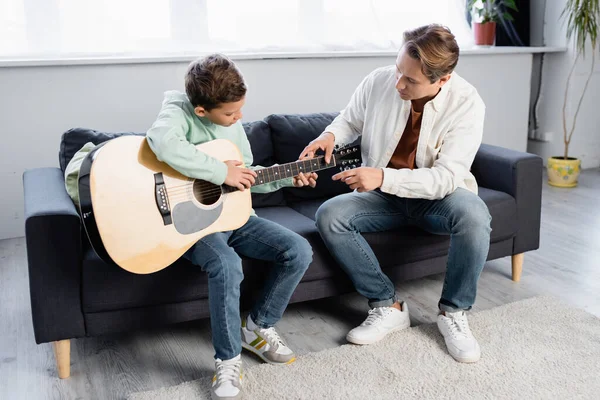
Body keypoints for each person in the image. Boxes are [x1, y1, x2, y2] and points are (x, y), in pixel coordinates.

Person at [65, 53, 317, 400]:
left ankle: (258, 326)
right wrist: (218, 172)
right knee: (227, 265)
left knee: (299, 250)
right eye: (230, 114)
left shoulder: (233, 127)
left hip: (234, 216)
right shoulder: (178, 109)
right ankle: (228, 361)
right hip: (190, 227)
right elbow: (162, 143)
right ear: (202, 111)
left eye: (241, 109)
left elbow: (244, 178)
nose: (239, 118)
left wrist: (285, 178)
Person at [299, 24, 491, 364]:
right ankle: (387, 306)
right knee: (330, 215)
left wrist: (382, 177)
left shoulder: (467, 102)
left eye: (410, 80)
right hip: (384, 198)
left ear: (441, 80)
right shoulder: (380, 80)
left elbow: (446, 178)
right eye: (398, 70)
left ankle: (453, 313)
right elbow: (349, 120)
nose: (398, 84)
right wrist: (329, 137)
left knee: (475, 214)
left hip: (437, 200)